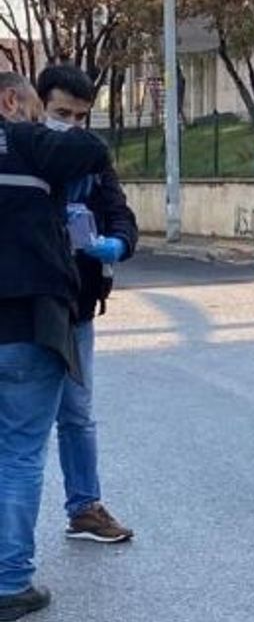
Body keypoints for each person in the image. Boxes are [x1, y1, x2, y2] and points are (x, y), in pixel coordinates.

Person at [0, 72, 113, 621]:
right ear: (13, 101)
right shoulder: (24, 141)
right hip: (29, 319)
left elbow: (115, 208)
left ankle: (84, 507)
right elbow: (94, 148)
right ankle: (11, 582)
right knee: (21, 454)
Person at [35, 65, 139, 545]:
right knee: (20, 428)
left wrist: (115, 243)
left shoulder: (93, 161)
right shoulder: (19, 152)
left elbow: (121, 215)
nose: (72, 126)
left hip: (76, 308)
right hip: (26, 309)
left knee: (77, 414)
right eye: (61, 114)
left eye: (80, 117)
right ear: (38, 107)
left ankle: (85, 506)